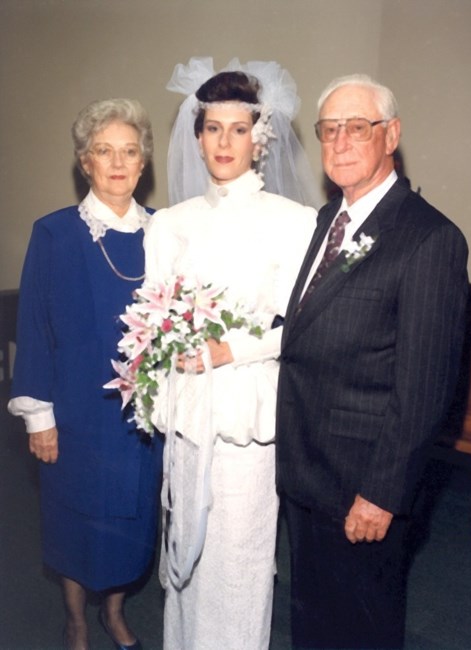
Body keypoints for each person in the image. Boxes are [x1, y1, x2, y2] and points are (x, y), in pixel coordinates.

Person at [276, 74, 469, 649]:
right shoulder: (326, 221)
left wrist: (383, 492)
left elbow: (425, 388)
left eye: (357, 128)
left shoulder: (429, 238)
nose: (339, 143)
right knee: (312, 619)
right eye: (329, 129)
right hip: (307, 470)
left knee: (362, 628)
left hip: (362, 483)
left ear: (392, 135)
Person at [144, 57, 319, 650]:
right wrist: (170, 352)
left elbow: (302, 328)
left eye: (238, 129)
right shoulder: (170, 224)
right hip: (189, 409)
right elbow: (153, 317)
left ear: (258, 138)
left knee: (238, 560)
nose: (224, 143)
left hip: (248, 411)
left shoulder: (293, 222)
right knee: (187, 556)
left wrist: (230, 351)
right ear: (197, 137)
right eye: (213, 129)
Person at [8, 98, 163, 650]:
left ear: (143, 163)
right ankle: (76, 620)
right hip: (74, 414)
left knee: (130, 523)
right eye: (104, 150)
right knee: (74, 522)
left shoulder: (164, 233)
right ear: (85, 162)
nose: (118, 163)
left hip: (141, 418)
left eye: (129, 151)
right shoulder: (54, 233)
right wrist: (39, 418)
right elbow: (34, 328)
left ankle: (113, 612)